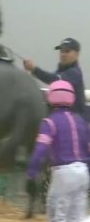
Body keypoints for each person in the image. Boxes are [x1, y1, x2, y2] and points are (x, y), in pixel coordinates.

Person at [26, 80, 90, 222]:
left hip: (63, 174)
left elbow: (40, 149)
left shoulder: (49, 122)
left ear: (50, 98)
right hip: (83, 173)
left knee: (57, 216)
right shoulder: (81, 121)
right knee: (77, 217)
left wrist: (31, 172)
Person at [23, 37, 86, 116]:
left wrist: (34, 69)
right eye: (61, 51)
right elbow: (50, 78)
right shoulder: (61, 71)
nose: (63, 54)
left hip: (75, 122)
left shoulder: (74, 73)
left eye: (67, 51)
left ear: (77, 54)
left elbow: (54, 80)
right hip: (63, 117)